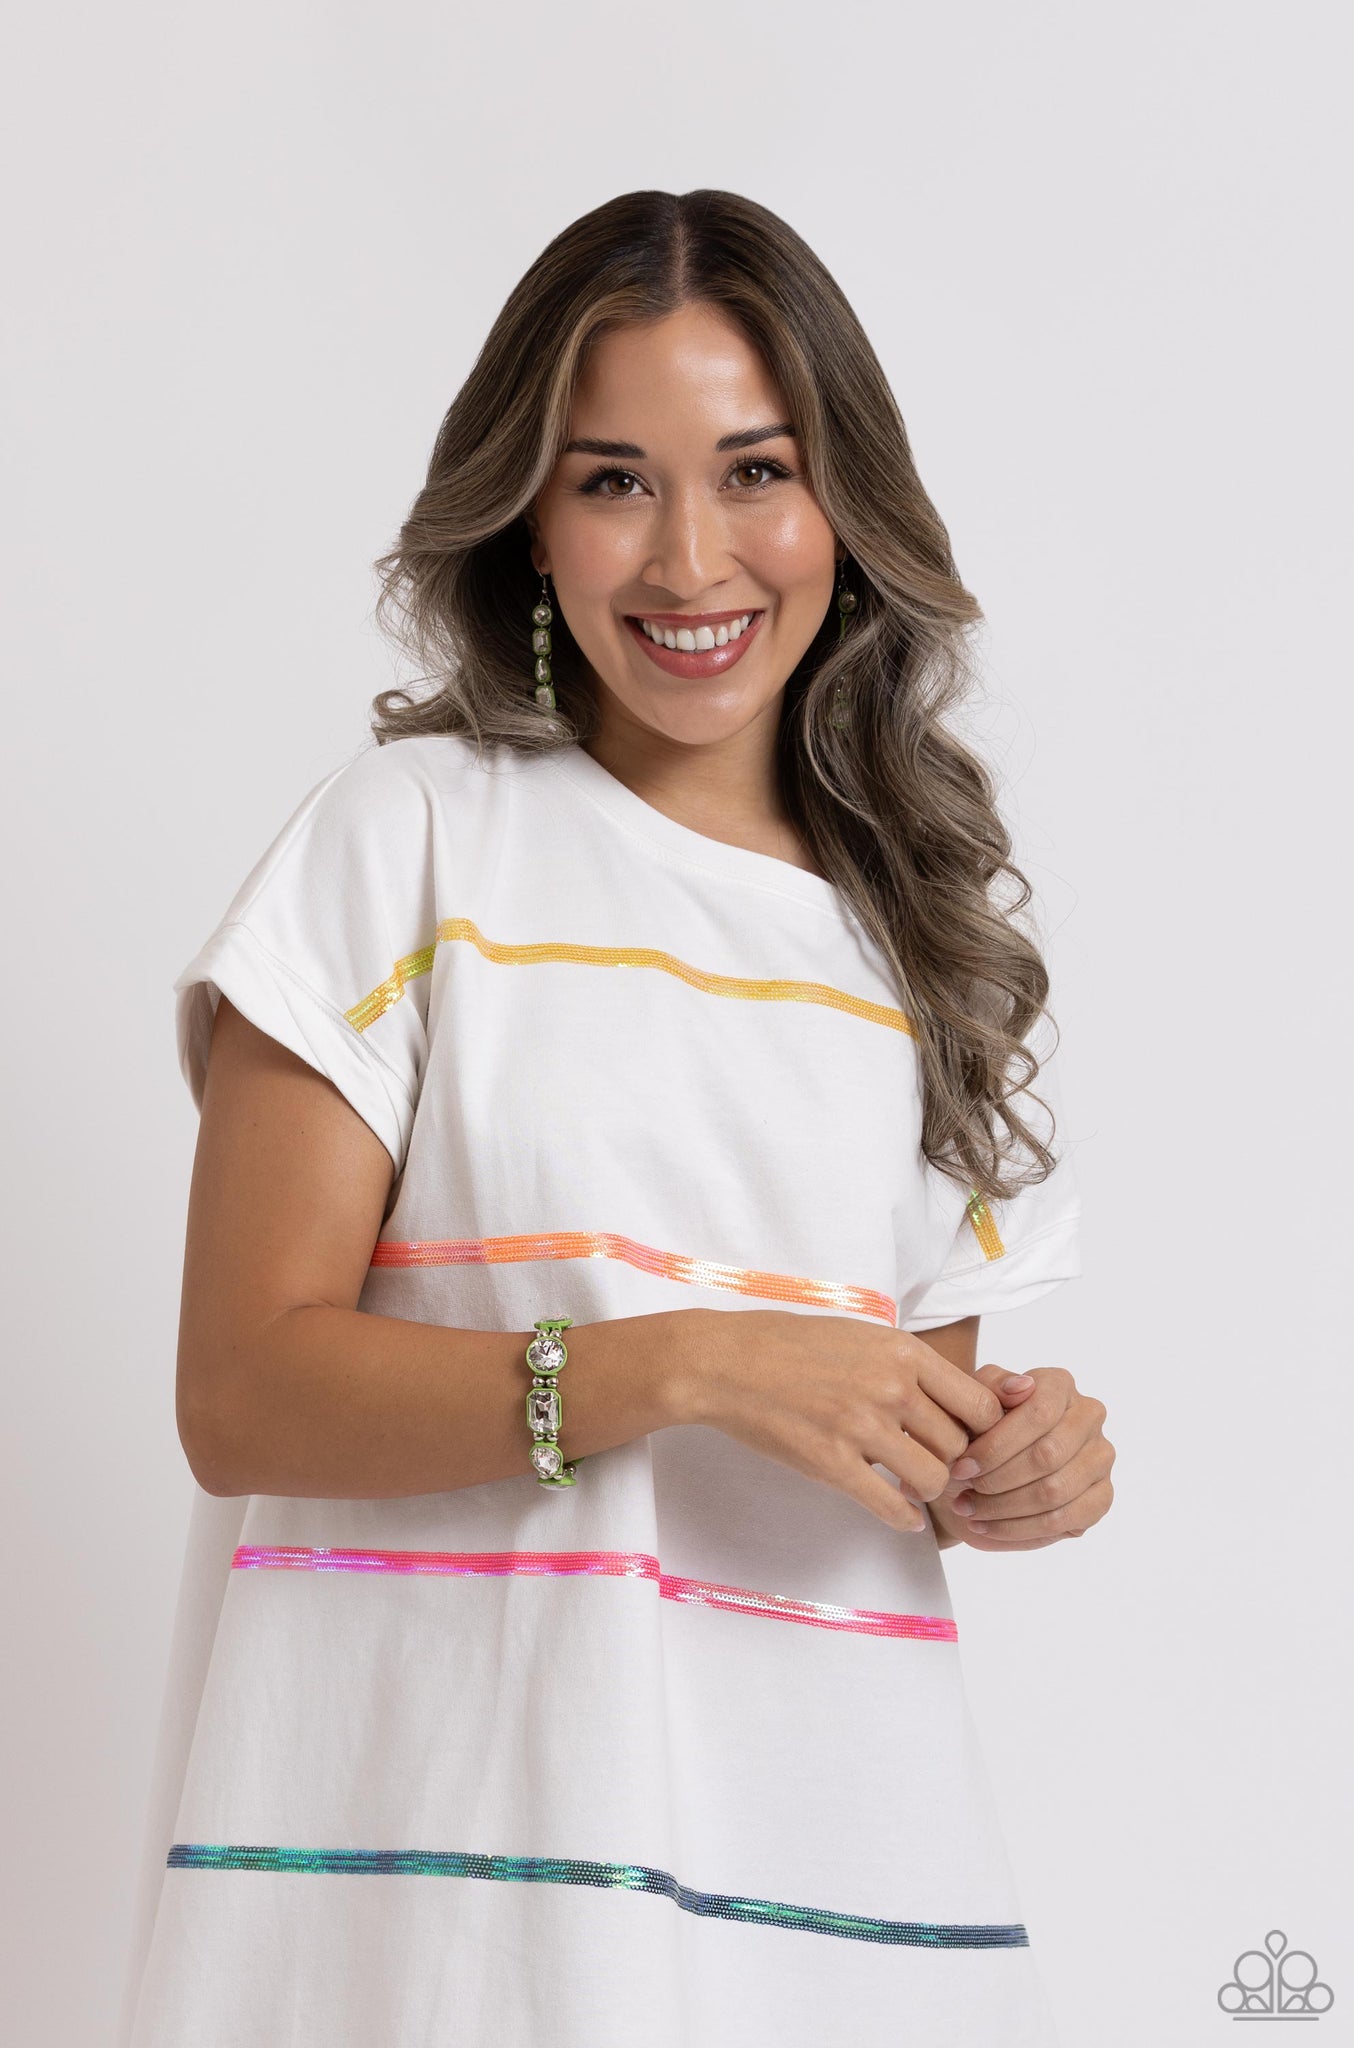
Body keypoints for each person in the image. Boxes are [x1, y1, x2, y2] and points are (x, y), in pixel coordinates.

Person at [120, 187, 1115, 2048]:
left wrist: (1011, 1467)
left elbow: (889, 1443)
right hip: (442, 1898)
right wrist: (683, 1365)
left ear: (846, 503)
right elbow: (238, 1393)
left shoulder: (922, 945)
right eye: (611, 482)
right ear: (527, 515)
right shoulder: (409, 839)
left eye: (756, 471)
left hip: (825, 1898)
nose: (688, 558)